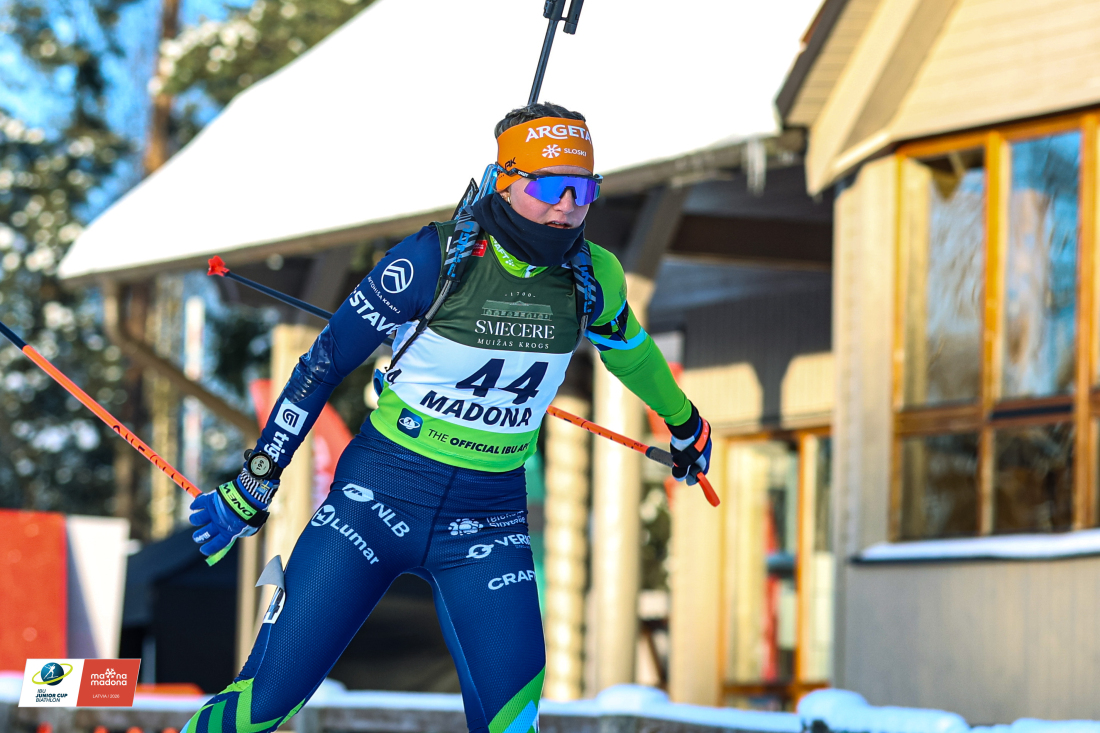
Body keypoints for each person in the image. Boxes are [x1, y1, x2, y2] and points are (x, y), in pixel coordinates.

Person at [183, 103, 713, 733]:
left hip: (488, 517)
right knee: (262, 705)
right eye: (550, 187)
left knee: (512, 724)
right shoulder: (434, 258)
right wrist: (257, 478)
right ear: (505, 180)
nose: (567, 207)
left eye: (585, 189)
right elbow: (322, 366)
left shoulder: (592, 274)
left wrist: (686, 423)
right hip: (375, 497)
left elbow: (631, 352)